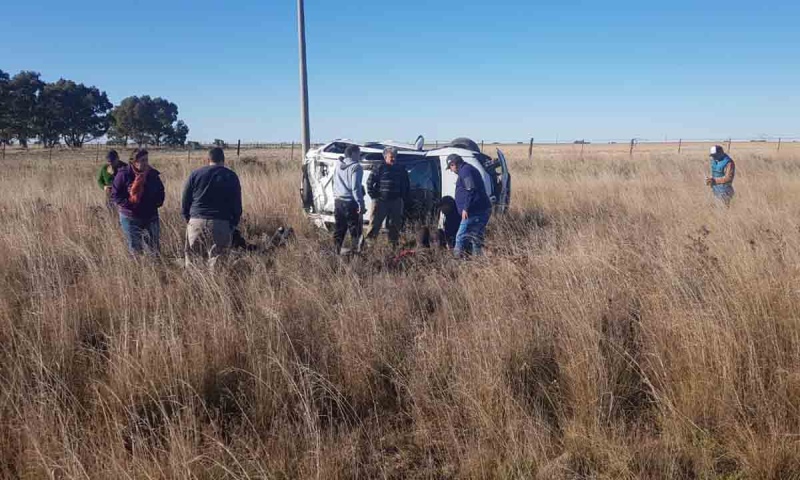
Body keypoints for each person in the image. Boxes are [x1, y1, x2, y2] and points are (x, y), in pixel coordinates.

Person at [181, 147, 242, 268]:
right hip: (221, 223)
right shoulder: (231, 176)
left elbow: (185, 201)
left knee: (193, 263)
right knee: (218, 264)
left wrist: (189, 220)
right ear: (223, 160)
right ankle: (215, 286)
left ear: (208, 159)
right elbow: (237, 206)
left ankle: (192, 286)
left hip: (196, 221)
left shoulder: (195, 174)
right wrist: (232, 225)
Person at [112, 149, 165, 255]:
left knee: (154, 248)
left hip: (151, 215)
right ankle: (138, 269)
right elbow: (115, 195)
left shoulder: (152, 174)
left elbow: (161, 191)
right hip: (130, 217)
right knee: (135, 249)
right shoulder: (124, 174)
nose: (146, 163)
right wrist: (130, 204)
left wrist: (157, 203)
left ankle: (155, 268)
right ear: (134, 162)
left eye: (147, 160)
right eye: (143, 160)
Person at [447, 154, 492, 257]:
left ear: (453, 164)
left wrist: (465, 208)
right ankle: (477, 260)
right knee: (475, 237)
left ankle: (456, 261)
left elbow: (470, 188)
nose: (451, 170)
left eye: (450, 167)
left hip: (474, 211)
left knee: (460, 236)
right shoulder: (467, 169)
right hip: (479, 209)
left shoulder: (465, 171)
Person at [366, 146, 410, 247]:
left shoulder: (401, 169)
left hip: (396, 201)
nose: (393, 159)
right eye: (391, 156)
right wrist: (374, 196)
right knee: (374, 224)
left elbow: (406, 183)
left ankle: (393, 246)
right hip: (381, 201)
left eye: (395, 156)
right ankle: (369, 246)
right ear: (385, 157)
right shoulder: (379, 167)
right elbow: (369, 182)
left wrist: (403, 196)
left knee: (395, 225)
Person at [332, 145, 366, 254]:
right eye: (359, 153)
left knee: (339, 229)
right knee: (355, 230)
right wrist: (361, 204)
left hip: (338, 202)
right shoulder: (356, 167)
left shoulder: (337, 165)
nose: (360, 156)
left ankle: (335, 253)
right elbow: (355, 187)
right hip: (350, 203)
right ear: (353, 154)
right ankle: (356, 255)